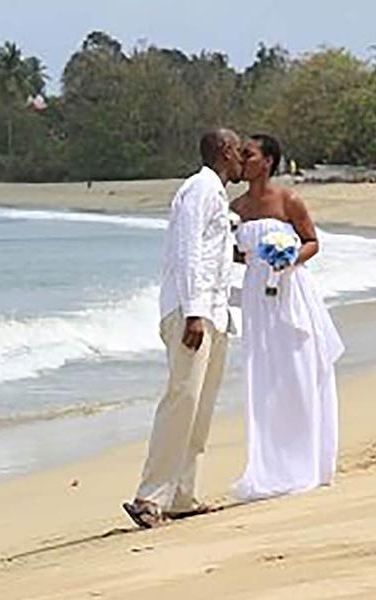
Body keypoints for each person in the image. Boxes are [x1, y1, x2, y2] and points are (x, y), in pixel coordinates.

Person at [123, 129, 243, 528]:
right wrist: (194, 312)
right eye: (238, 151)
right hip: (193, 312)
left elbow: (215, 258)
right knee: (182, 399)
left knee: (200, 406)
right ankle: (149, 497)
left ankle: (181, 495)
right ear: (225, 151)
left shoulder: (217, 195)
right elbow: (188, 252)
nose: (242, 159)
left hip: (214, 313)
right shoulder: (200, 188)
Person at [230, 134, 344, 502]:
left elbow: (312, 241)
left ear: (267, 161)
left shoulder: (288, 199)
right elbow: (233, 252)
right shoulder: (236, 207)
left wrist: (288, 258)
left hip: (291, 289)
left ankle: (307, 461)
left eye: (248, 154)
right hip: (256, 295)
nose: (241, 159)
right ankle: (270, 465)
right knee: (263, 374)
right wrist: (254, 260)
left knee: (297, 368)